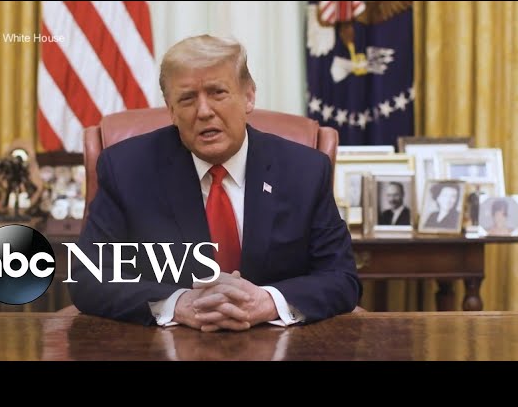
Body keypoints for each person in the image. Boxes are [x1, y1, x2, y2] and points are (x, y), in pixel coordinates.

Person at [68, 35, 362, 331]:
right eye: (187, 99)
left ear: (248, 97)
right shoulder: (127, 168)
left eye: (217, 92)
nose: (204, 111)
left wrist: (267, 302)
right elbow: (88, 276)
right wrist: (177, 304)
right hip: (166, 344)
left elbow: (341, 277)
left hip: (277, 341)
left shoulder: (304, 170)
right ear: (171, 111)